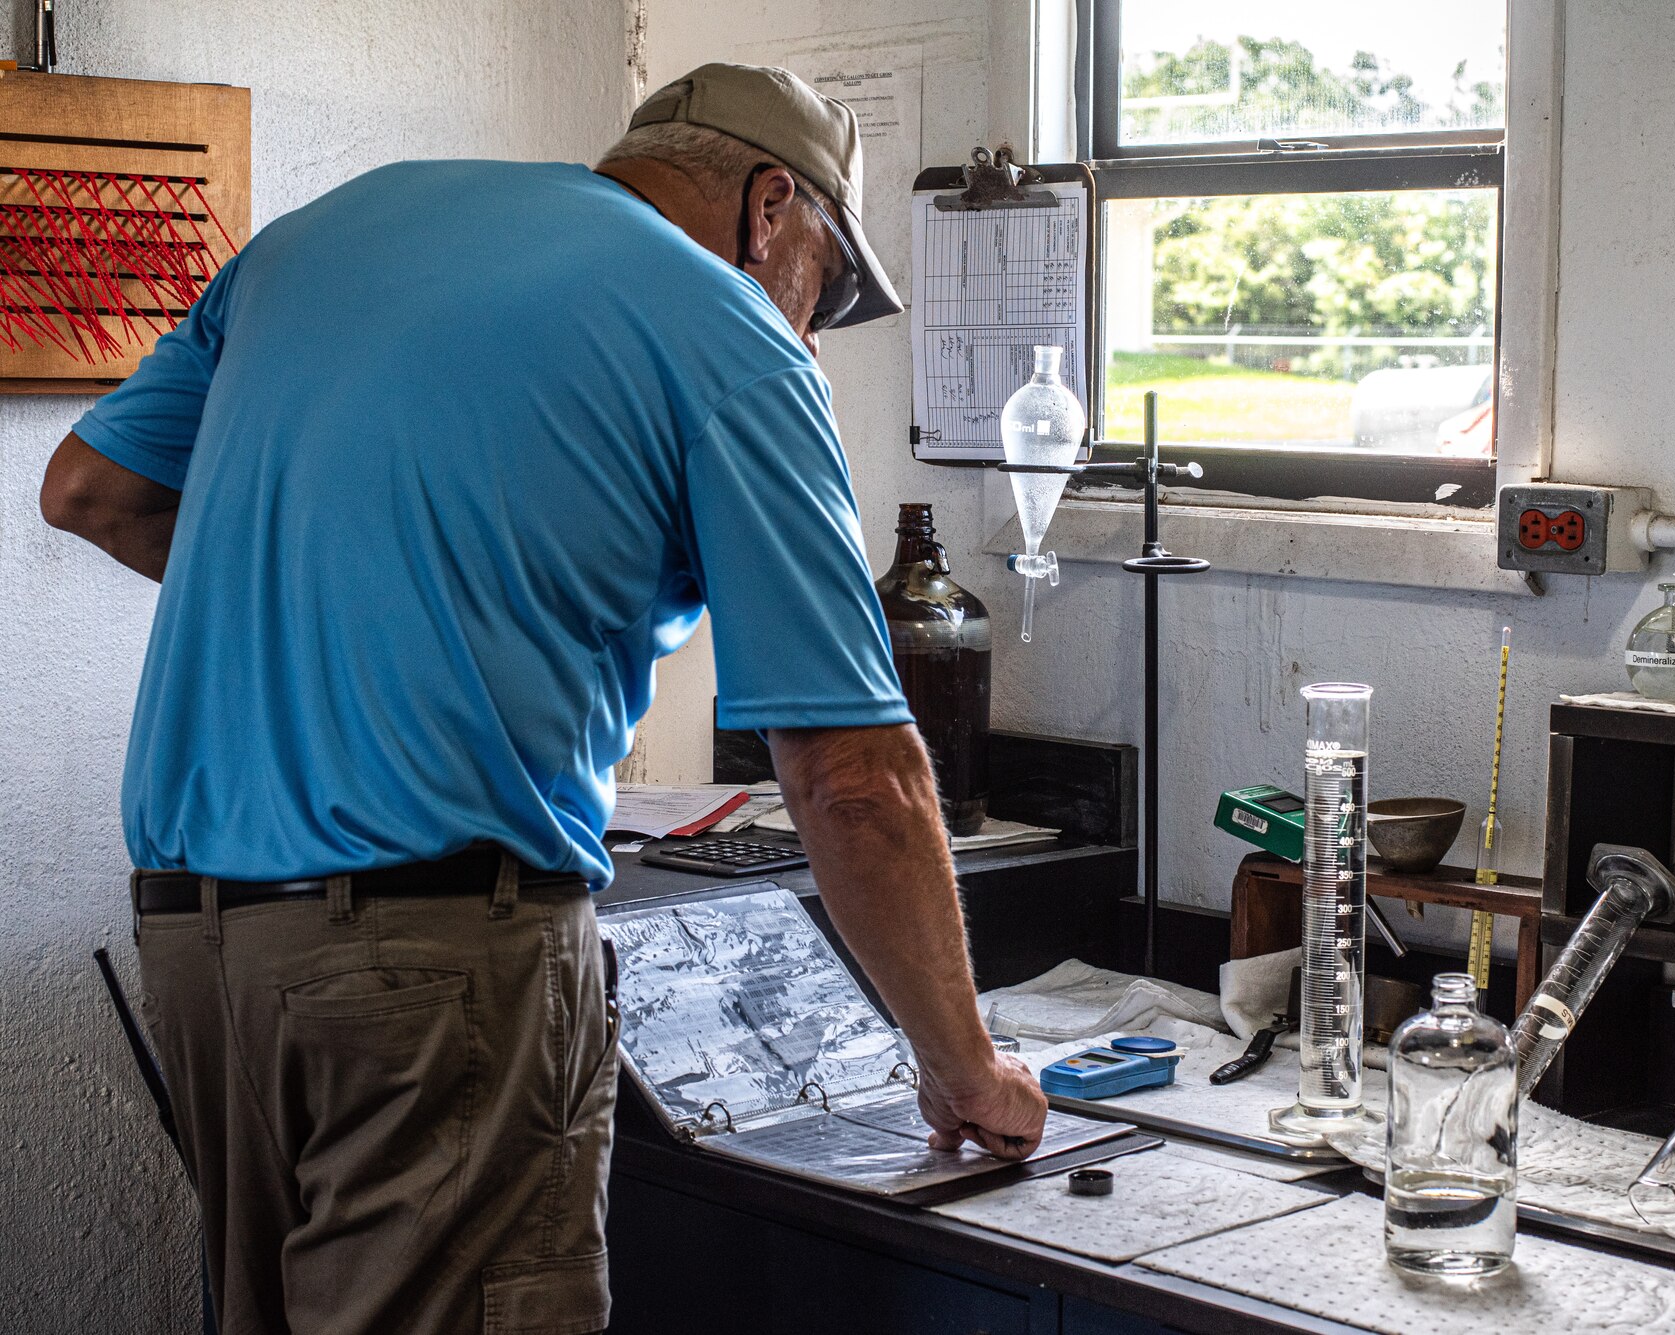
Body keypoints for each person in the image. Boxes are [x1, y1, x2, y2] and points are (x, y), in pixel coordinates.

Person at [40, 62, 1047, 1335]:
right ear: (770, 205)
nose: (808, 323)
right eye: (825, 283)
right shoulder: (721, 331)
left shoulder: (330, 233)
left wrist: (363, 598)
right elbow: (852, 772)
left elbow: (89, 492)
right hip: (438, 965)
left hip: (200, 950)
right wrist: (964, 1067)